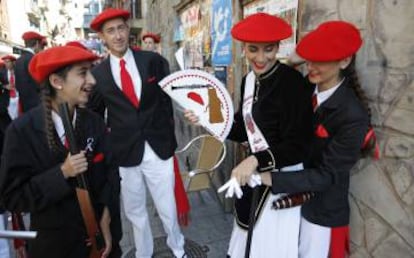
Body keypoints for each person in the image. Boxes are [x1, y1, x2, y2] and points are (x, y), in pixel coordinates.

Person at [185, 12, 313, 257]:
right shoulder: (248, 80)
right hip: (252, 174)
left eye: (269, 49)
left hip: (281, 180)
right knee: (246, 239)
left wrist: (256, 160)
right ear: (244, 48)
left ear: (278, 47)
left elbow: (299, 145)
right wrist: (206, 120)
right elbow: (244, 128)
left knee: (268, 248)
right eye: (253, 49)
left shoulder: (292, 83)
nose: (261, 58)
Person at [256, 21, 375, 258]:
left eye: (321, 59)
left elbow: (328, 175)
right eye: (310, 58)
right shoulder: (305, 88)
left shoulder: (352, 115)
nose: (311, 65)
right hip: (290, 201)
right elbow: (274, 88)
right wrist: (290, 62)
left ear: (344, 61)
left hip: (321, 211)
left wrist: (269, 178)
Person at [0, 46, 121, 258]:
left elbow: (111, 176)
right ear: (57, 82)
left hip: (102, 242)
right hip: (56, 247)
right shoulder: (21, 132)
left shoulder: (94, 123)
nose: (92, 80)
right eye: (83, 73)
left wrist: (106, 218)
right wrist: (62, 173)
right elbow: (12, 197)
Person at [89, 8, 186, 258]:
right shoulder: (98, 75)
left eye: (121, 28)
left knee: (167, 206)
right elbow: (96, 115)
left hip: (157, 147)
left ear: (128, 29)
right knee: (135, 212)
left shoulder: (151, 61)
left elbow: (168, 98)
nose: (118, 35)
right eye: (111, 31)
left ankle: (178, 248)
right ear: (102, 37)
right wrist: (107, 146)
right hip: (125, 152)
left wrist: (166, 133)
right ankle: (143, 253)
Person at [14, 31, 46, 113]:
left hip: (25, 104)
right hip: (37, 104)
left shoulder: (18, 60)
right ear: (37, 43)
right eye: (41, 45)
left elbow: (18, 85)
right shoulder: (34, 59)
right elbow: (40, 83)